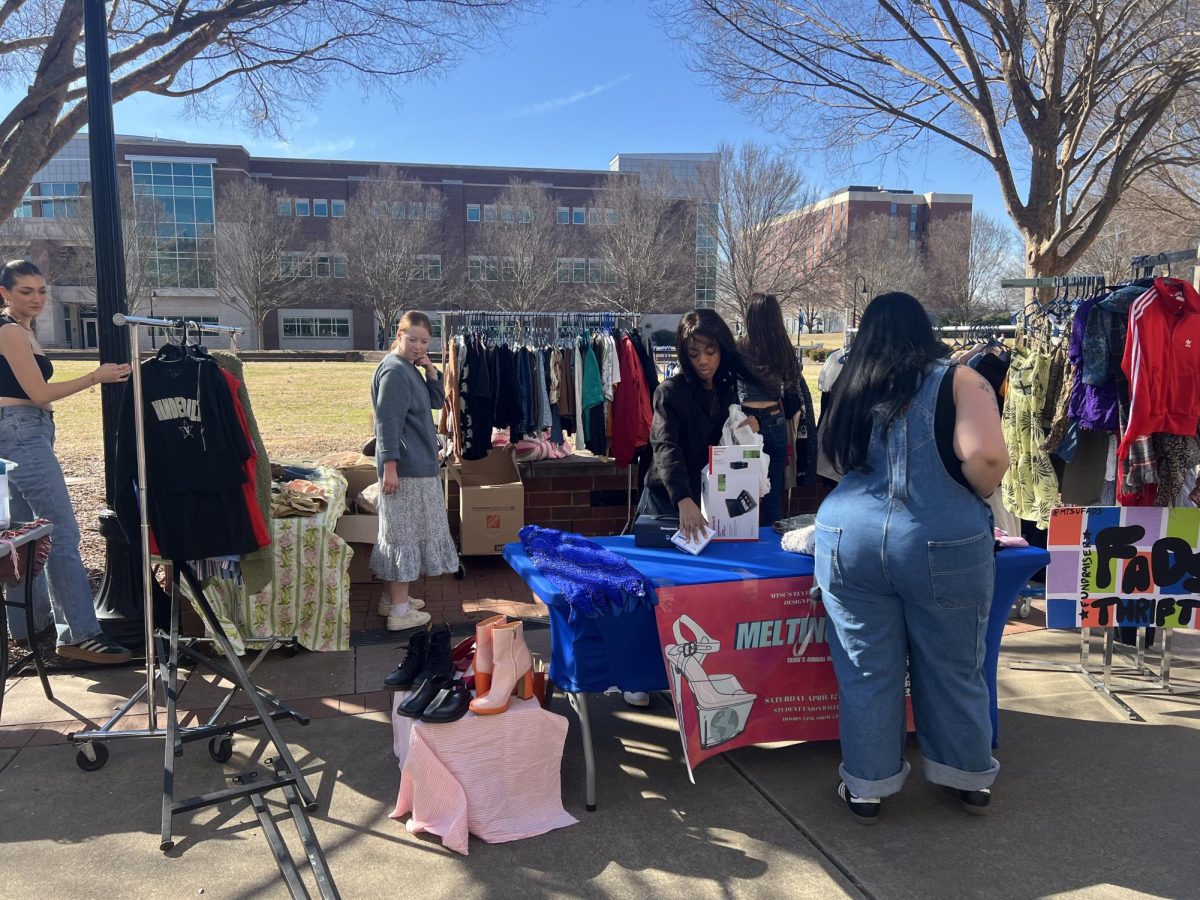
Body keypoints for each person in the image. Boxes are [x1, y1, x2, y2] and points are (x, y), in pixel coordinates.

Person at [814, 292, 1010, 824]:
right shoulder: (962, 379)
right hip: (938, 539)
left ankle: (867, 786)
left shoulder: (845, 380)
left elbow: (830, 463)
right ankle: (966, 777)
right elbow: (988, 459)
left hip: (847, 538)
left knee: (865, 668)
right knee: (951, 664)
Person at [0, 259, 133, 663]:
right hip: (20, 431)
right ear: (4, 293)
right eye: (26, 291)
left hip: (22, 431)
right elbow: (39, 394)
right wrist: (96, 377)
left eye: (41, 290)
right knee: (60, 532)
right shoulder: (8, 332)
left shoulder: (22, 330)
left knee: (28, 534)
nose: (37, 298)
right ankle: (79, 634)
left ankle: (29, 626)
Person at [370, 310, 458, 632]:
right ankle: (400, 611)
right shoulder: (395, 371)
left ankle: (391, 599)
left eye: (424, 342)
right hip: (406, 470)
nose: (419, 346)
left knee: (399, 534)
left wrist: (432, 371)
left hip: (413, 466)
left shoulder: (408, 368)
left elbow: (434, 404)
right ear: (399, 334)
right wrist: (390, 466)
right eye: (413, 339)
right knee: (404, 537)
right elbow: (387, 424)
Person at [637, 308, 747, 541]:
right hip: (666, 499)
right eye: (694, 354)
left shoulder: (726, 389)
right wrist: (682, 498)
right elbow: (665, 446)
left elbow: (722, 445)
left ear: (721, 351)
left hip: (705, 495)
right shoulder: (670, 392)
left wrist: (744, 431)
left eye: (710, 352)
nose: (703, 361)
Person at [737, 292, 804, 525]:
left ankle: (742, 535)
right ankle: (773, 542)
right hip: (775, 418)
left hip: (745, 423)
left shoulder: (739, 349)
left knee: (741, 489)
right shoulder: (783, 349)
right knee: (773, 492)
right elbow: (793, 384)